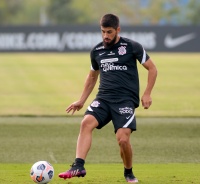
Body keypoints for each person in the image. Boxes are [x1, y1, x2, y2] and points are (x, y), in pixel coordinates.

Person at [58, 13, 157, 183]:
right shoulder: (96, 51)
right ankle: (78, 166)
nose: (106, 36)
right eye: (103, 31)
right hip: (103, 98)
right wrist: (81, 100)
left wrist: (147, 93)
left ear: (118, 29)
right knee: (86, 123)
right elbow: (91, 77)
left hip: (125, 100)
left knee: (123, 139)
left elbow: (153, 69)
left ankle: (128, 172)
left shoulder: (132, 46)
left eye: (109, 32)